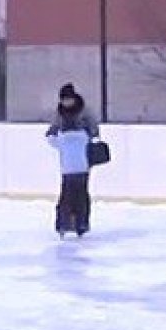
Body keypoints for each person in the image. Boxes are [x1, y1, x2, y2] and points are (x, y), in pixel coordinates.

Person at [46, 84, 100, 236]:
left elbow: (94, 130)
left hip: (82, 160)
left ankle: (81, 223)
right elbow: (52, 130)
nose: (66, 103)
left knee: (81, 193)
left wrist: (87, 138)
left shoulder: (84, 112)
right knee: (67, 193)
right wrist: (55, 138)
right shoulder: (60, 113)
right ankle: (63, 223)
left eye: (68, 99)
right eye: (64, 100)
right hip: (68, 162)